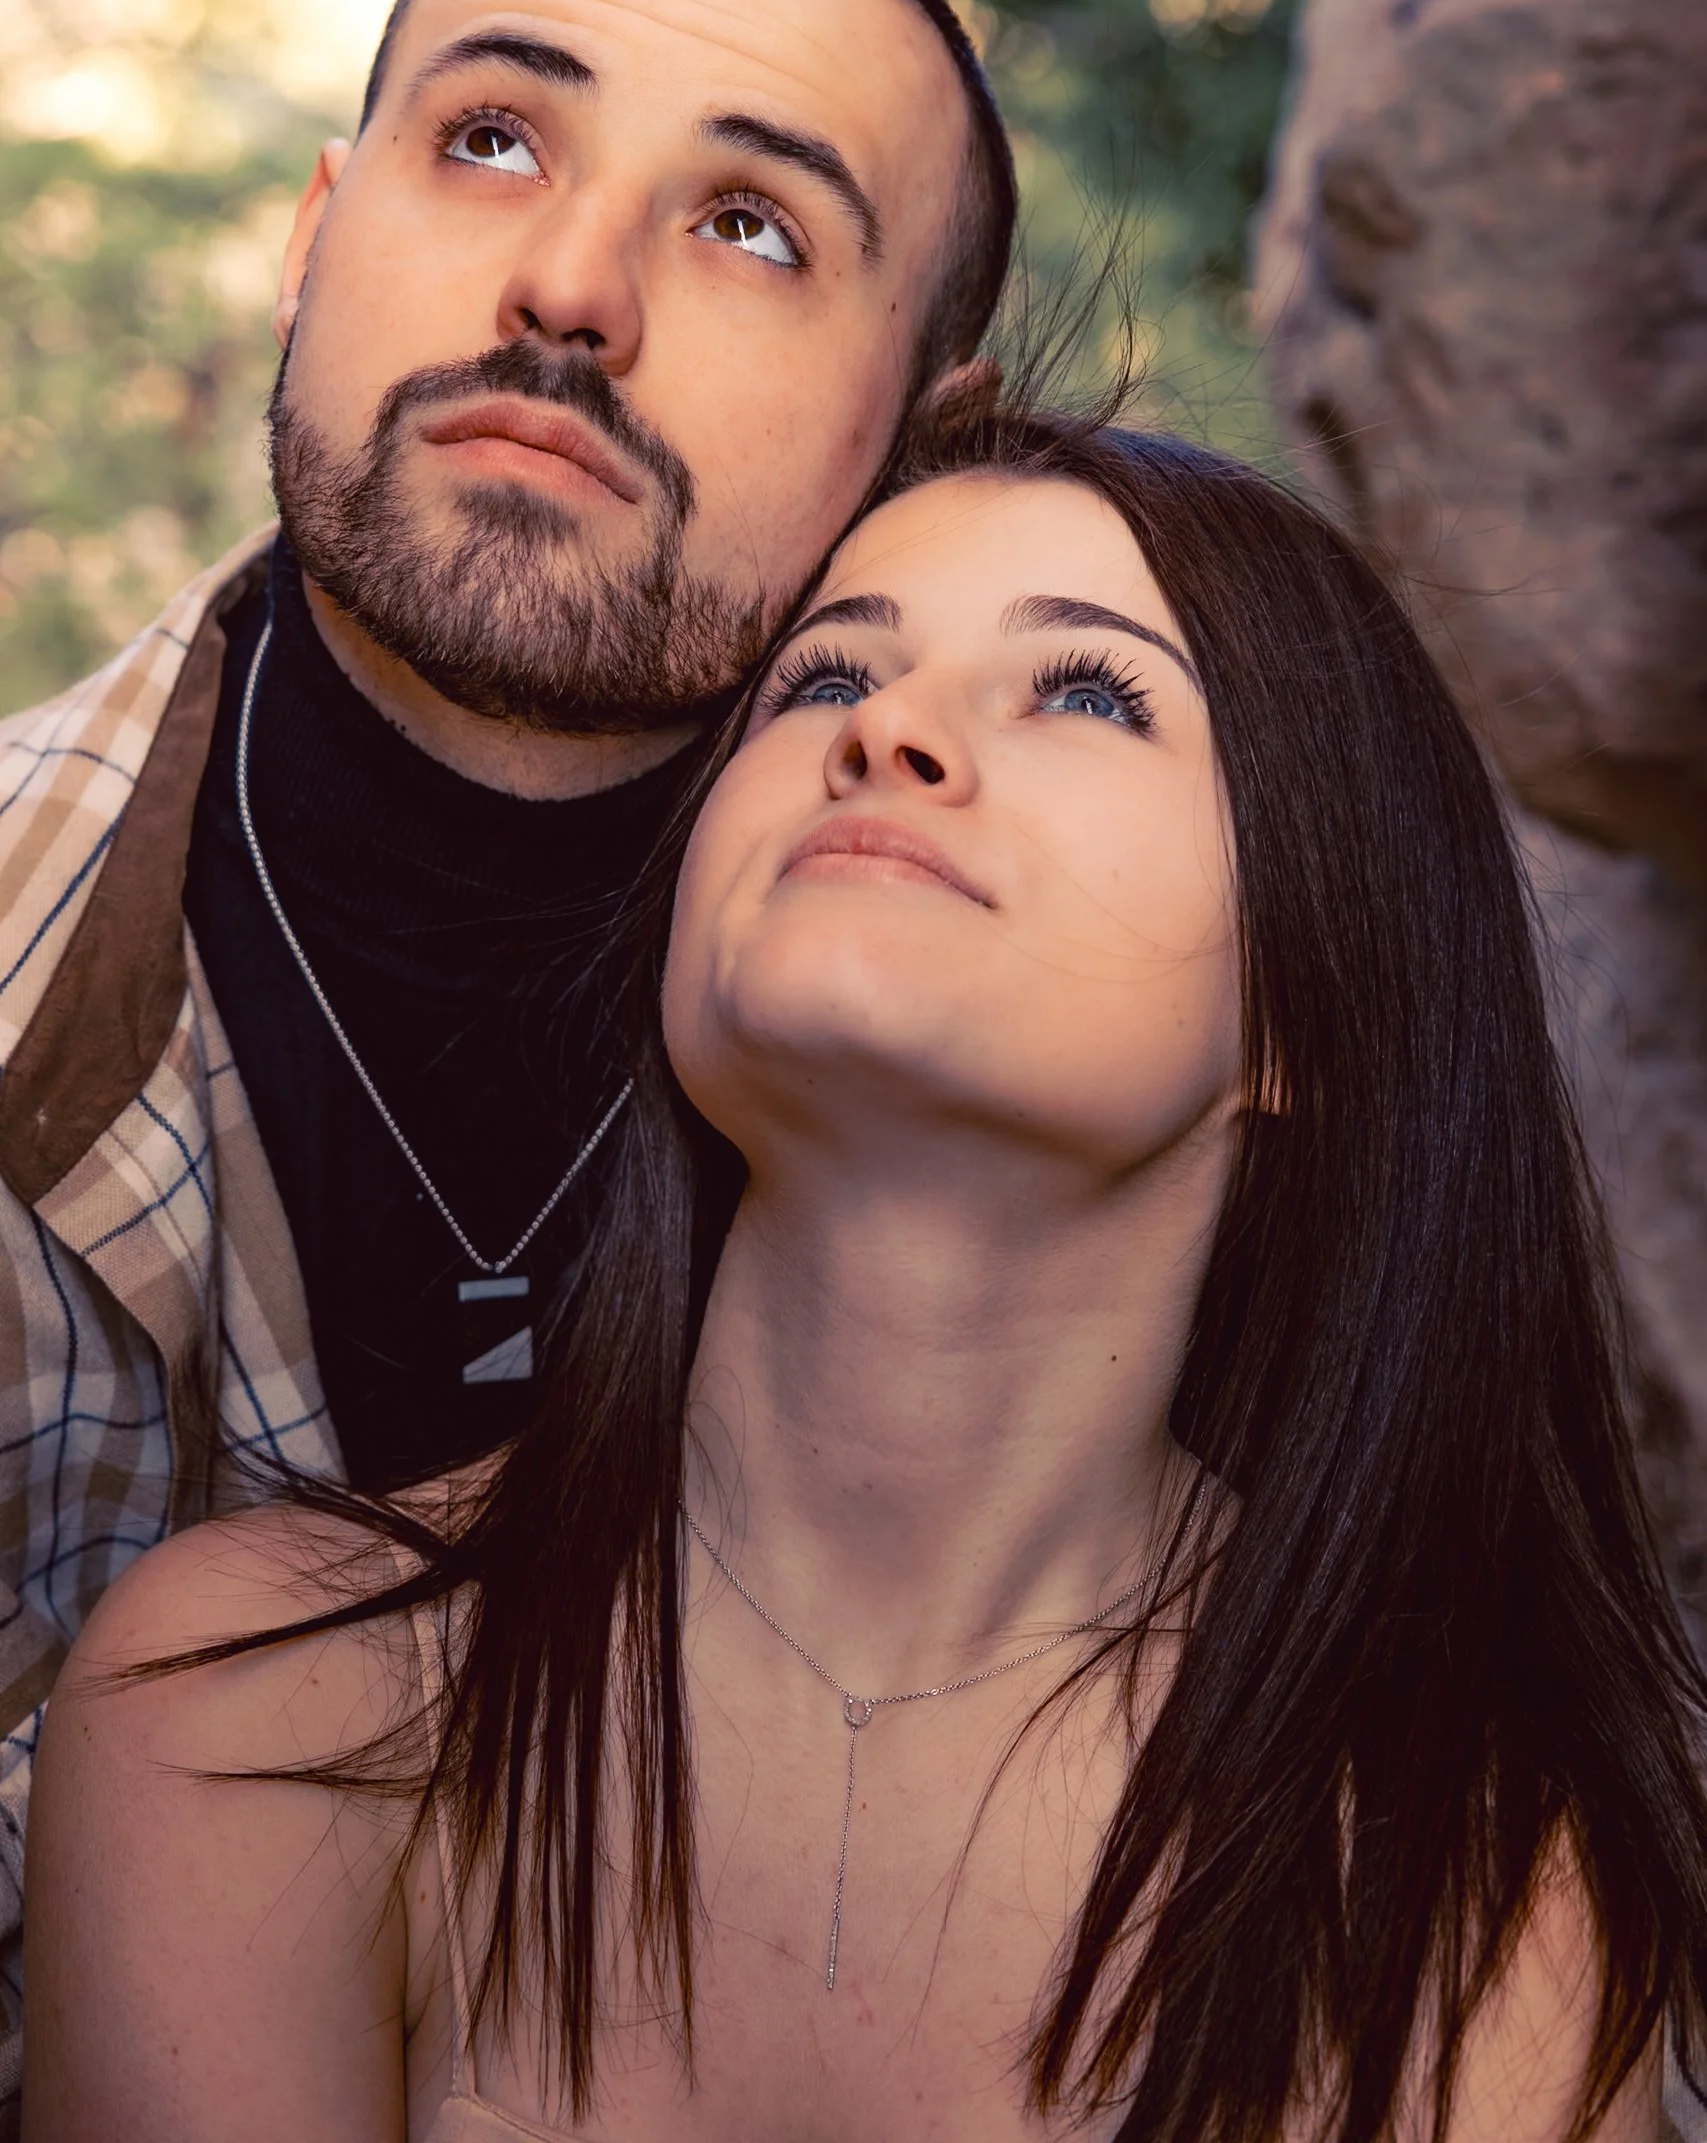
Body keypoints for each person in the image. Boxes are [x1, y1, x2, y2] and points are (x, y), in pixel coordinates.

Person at [28, 413, 1707, 2141]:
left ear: (1310, 997)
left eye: (1089, 692)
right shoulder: (243, 1704)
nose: (888, 729)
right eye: (824, 679)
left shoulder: (1468, 1899)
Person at [0, 0, 1015, 2076]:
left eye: (751, 224)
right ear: (307, 242)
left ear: (929, 437)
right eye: (491, 140)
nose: (568, 288)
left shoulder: (1063, 1115)